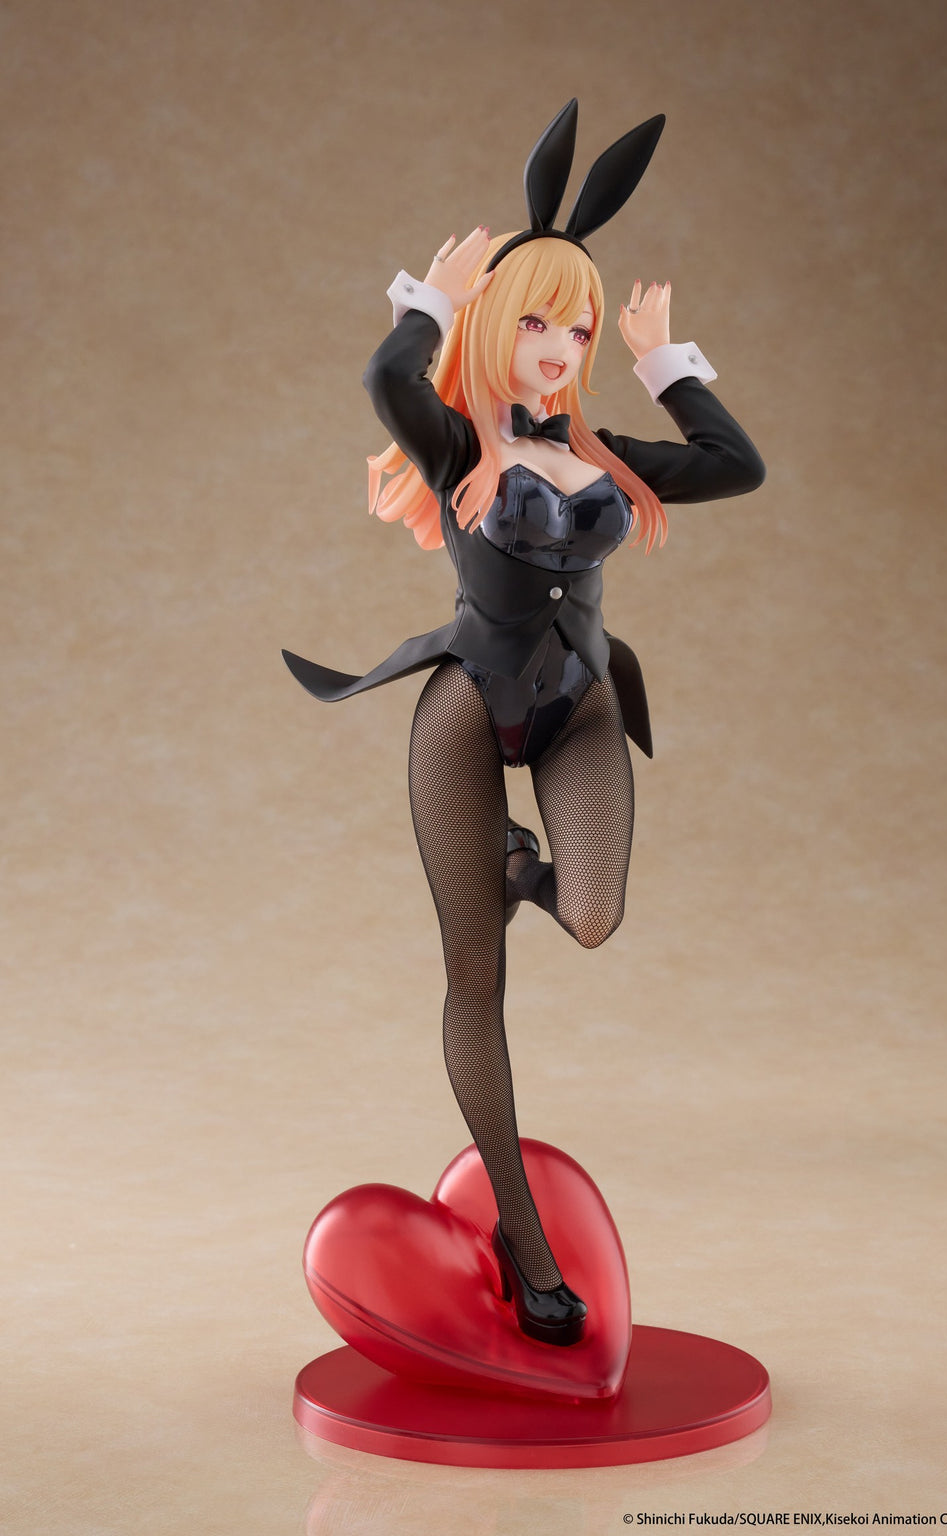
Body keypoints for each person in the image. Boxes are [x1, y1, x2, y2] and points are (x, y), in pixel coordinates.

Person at [284, 104, 765, 1348]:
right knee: (475, 981)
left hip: (577, 705)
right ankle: (525, 1241)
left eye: (579, 329)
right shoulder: (456, 444)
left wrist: (665, 363)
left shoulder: (603, 451)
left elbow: (738, 464)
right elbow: (386, 378)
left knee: (592, 913)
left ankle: (521, 869)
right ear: (500, 326)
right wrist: (429, 302)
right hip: (464, 707)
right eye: (538, 323)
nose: (558, 351)